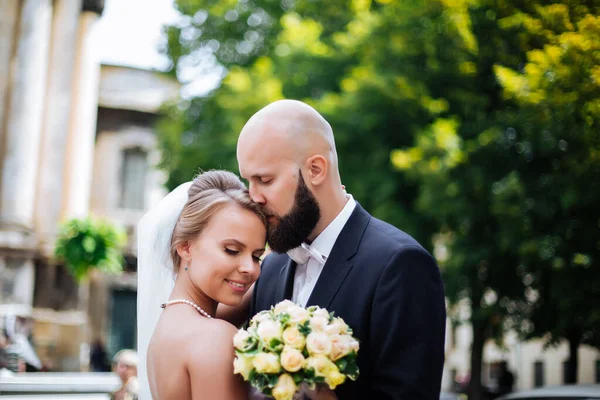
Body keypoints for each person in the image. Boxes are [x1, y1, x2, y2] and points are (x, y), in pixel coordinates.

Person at [234, 99, 447, 399]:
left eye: (264, 180)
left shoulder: (400, 265)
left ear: (316, 169)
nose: (252, 197)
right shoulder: (269, 269)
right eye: (247, 181)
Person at [137, 170, 269, 400]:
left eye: (257, 256)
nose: (250, 268)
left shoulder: (165, 332)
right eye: (232, 250)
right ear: (186, 247)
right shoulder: (215, 337)